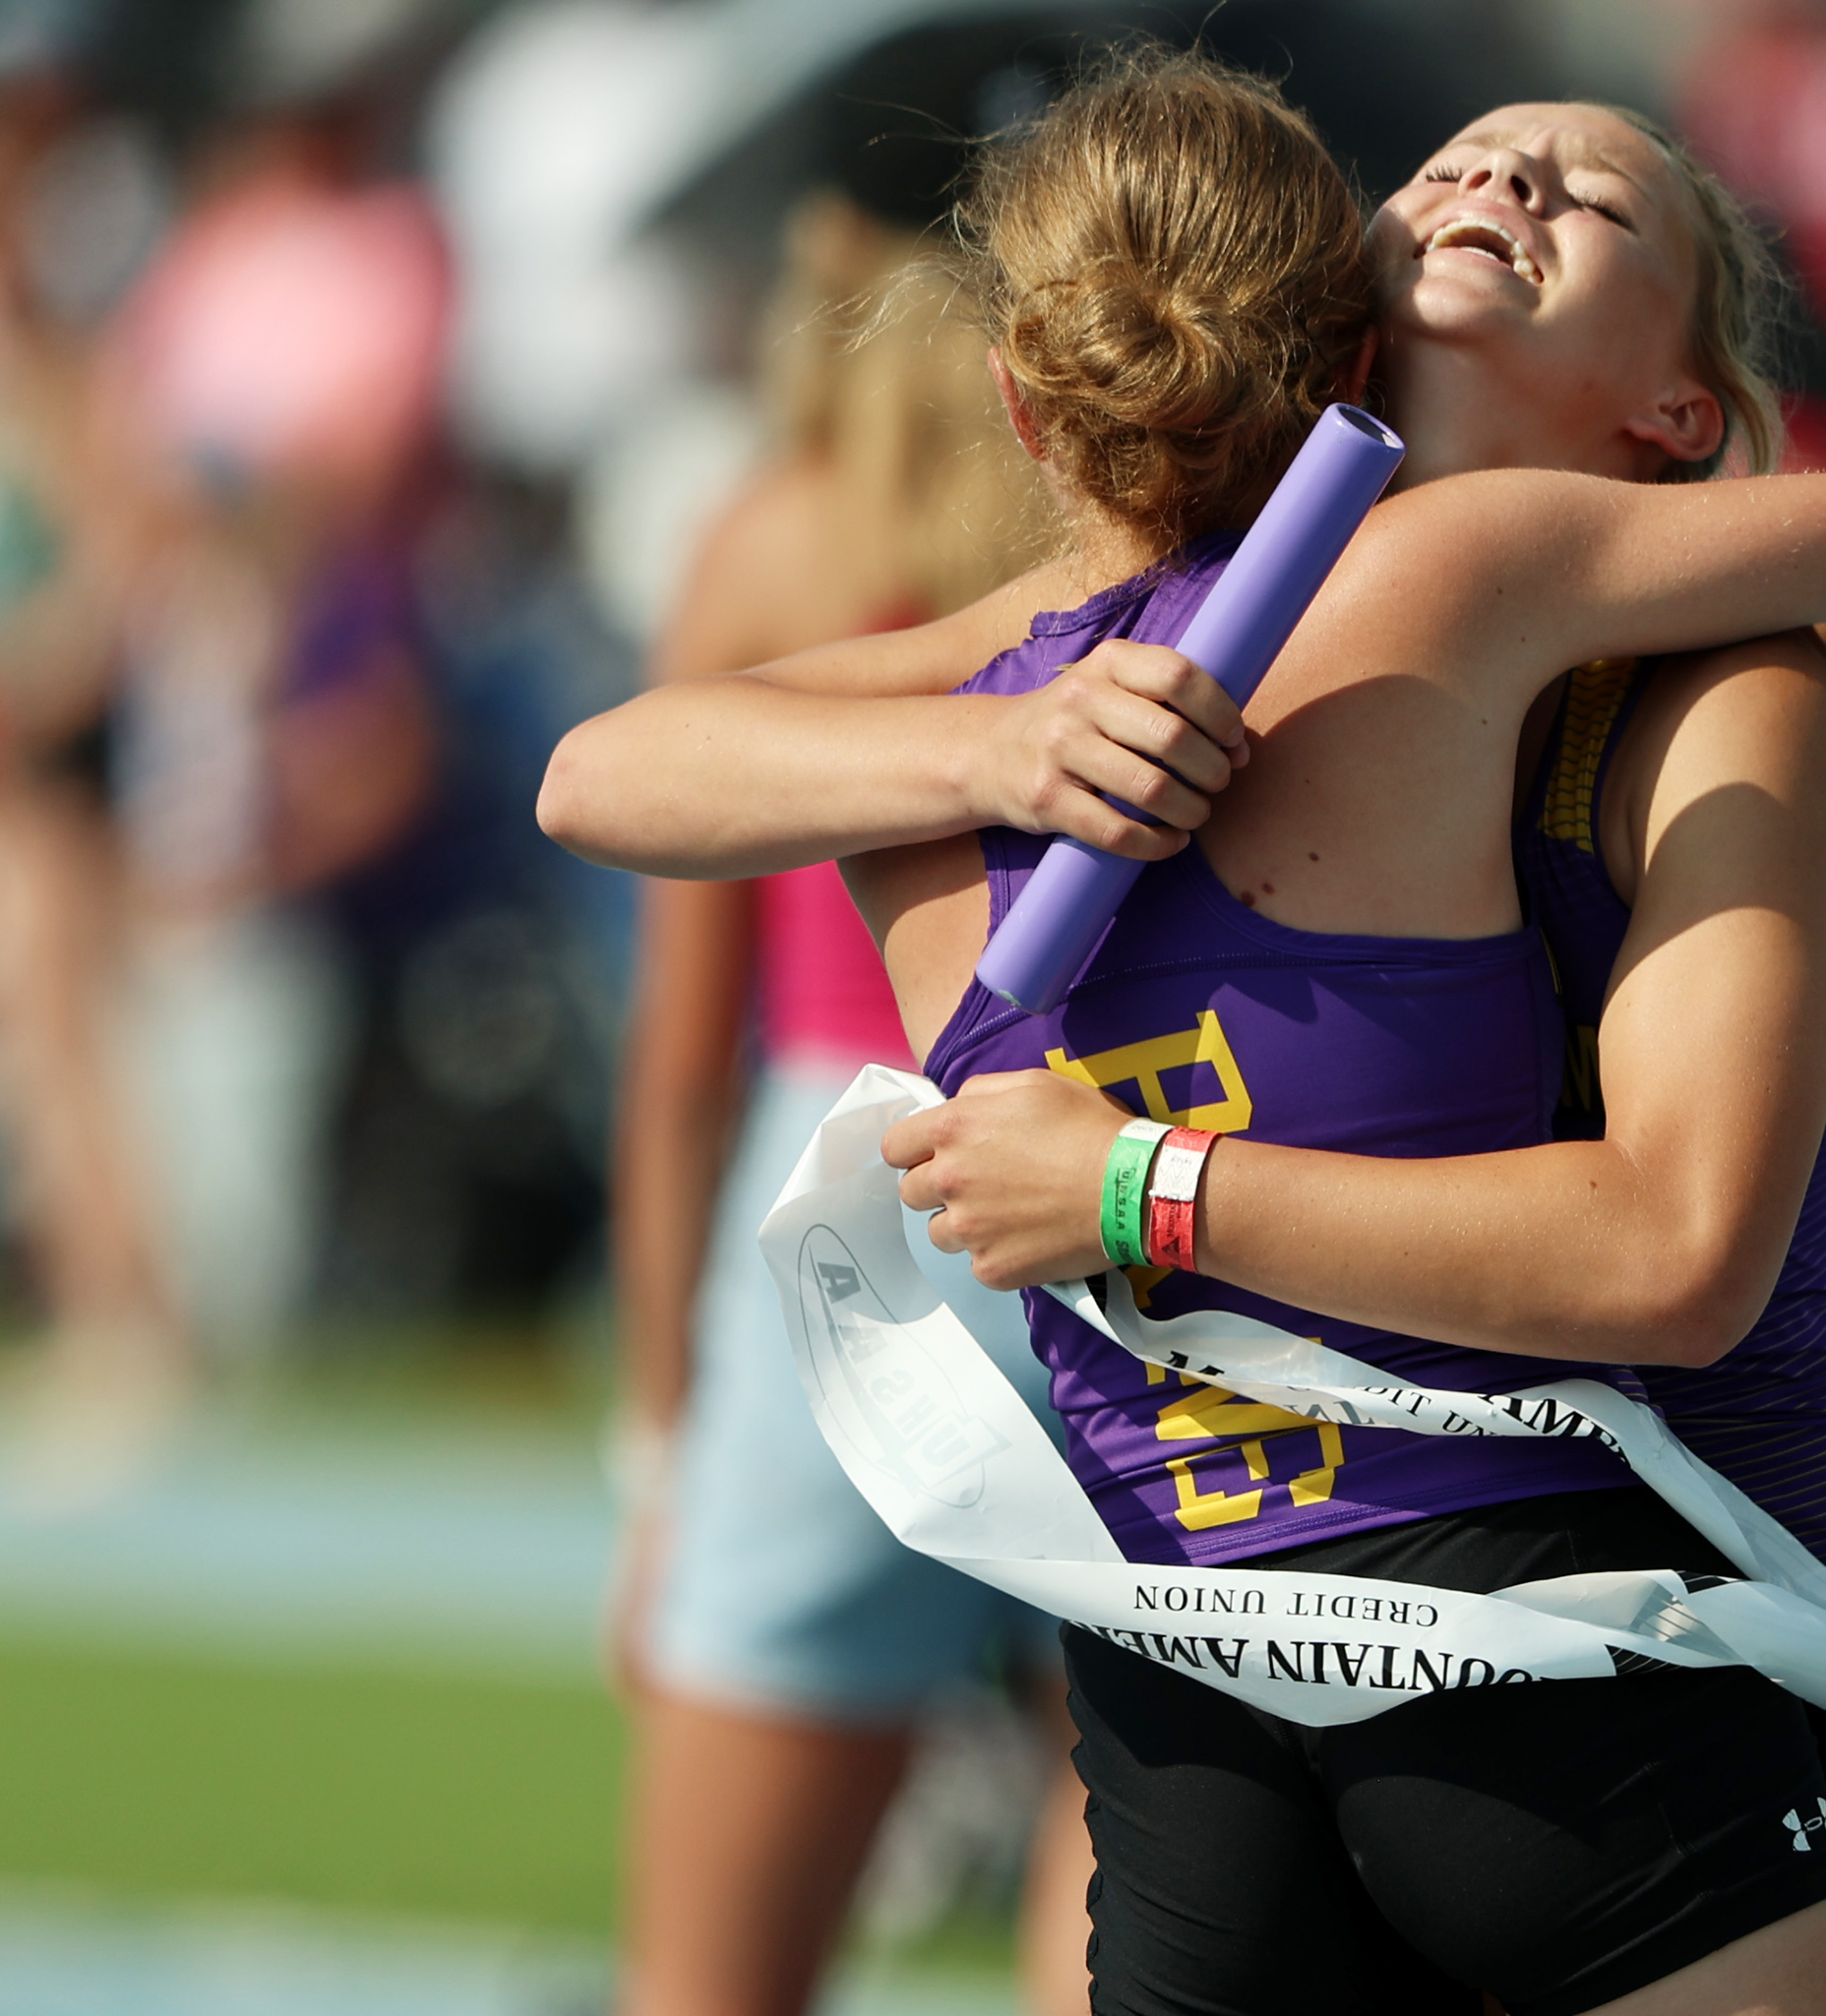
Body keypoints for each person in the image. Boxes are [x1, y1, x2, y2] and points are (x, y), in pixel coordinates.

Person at [539, 49, 1826, 2016]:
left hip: (1764, 1599)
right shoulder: (1140, 636)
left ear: (1679, 408)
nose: (1505, 169)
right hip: (1320, 1644)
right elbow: (613, 769)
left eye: (1594, 197)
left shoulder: (1701, 678)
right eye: (1464, 154)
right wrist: (999, 742)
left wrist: (1136, 1182)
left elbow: (1677, 1247)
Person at [602, 112, 1087, 2016]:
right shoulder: (1154, 530)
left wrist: (656, 1448)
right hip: (1102, 1175)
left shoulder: (780, 533)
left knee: (715, 1979)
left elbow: (673, 1060)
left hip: (839, 1215)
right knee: (1133, 1858)